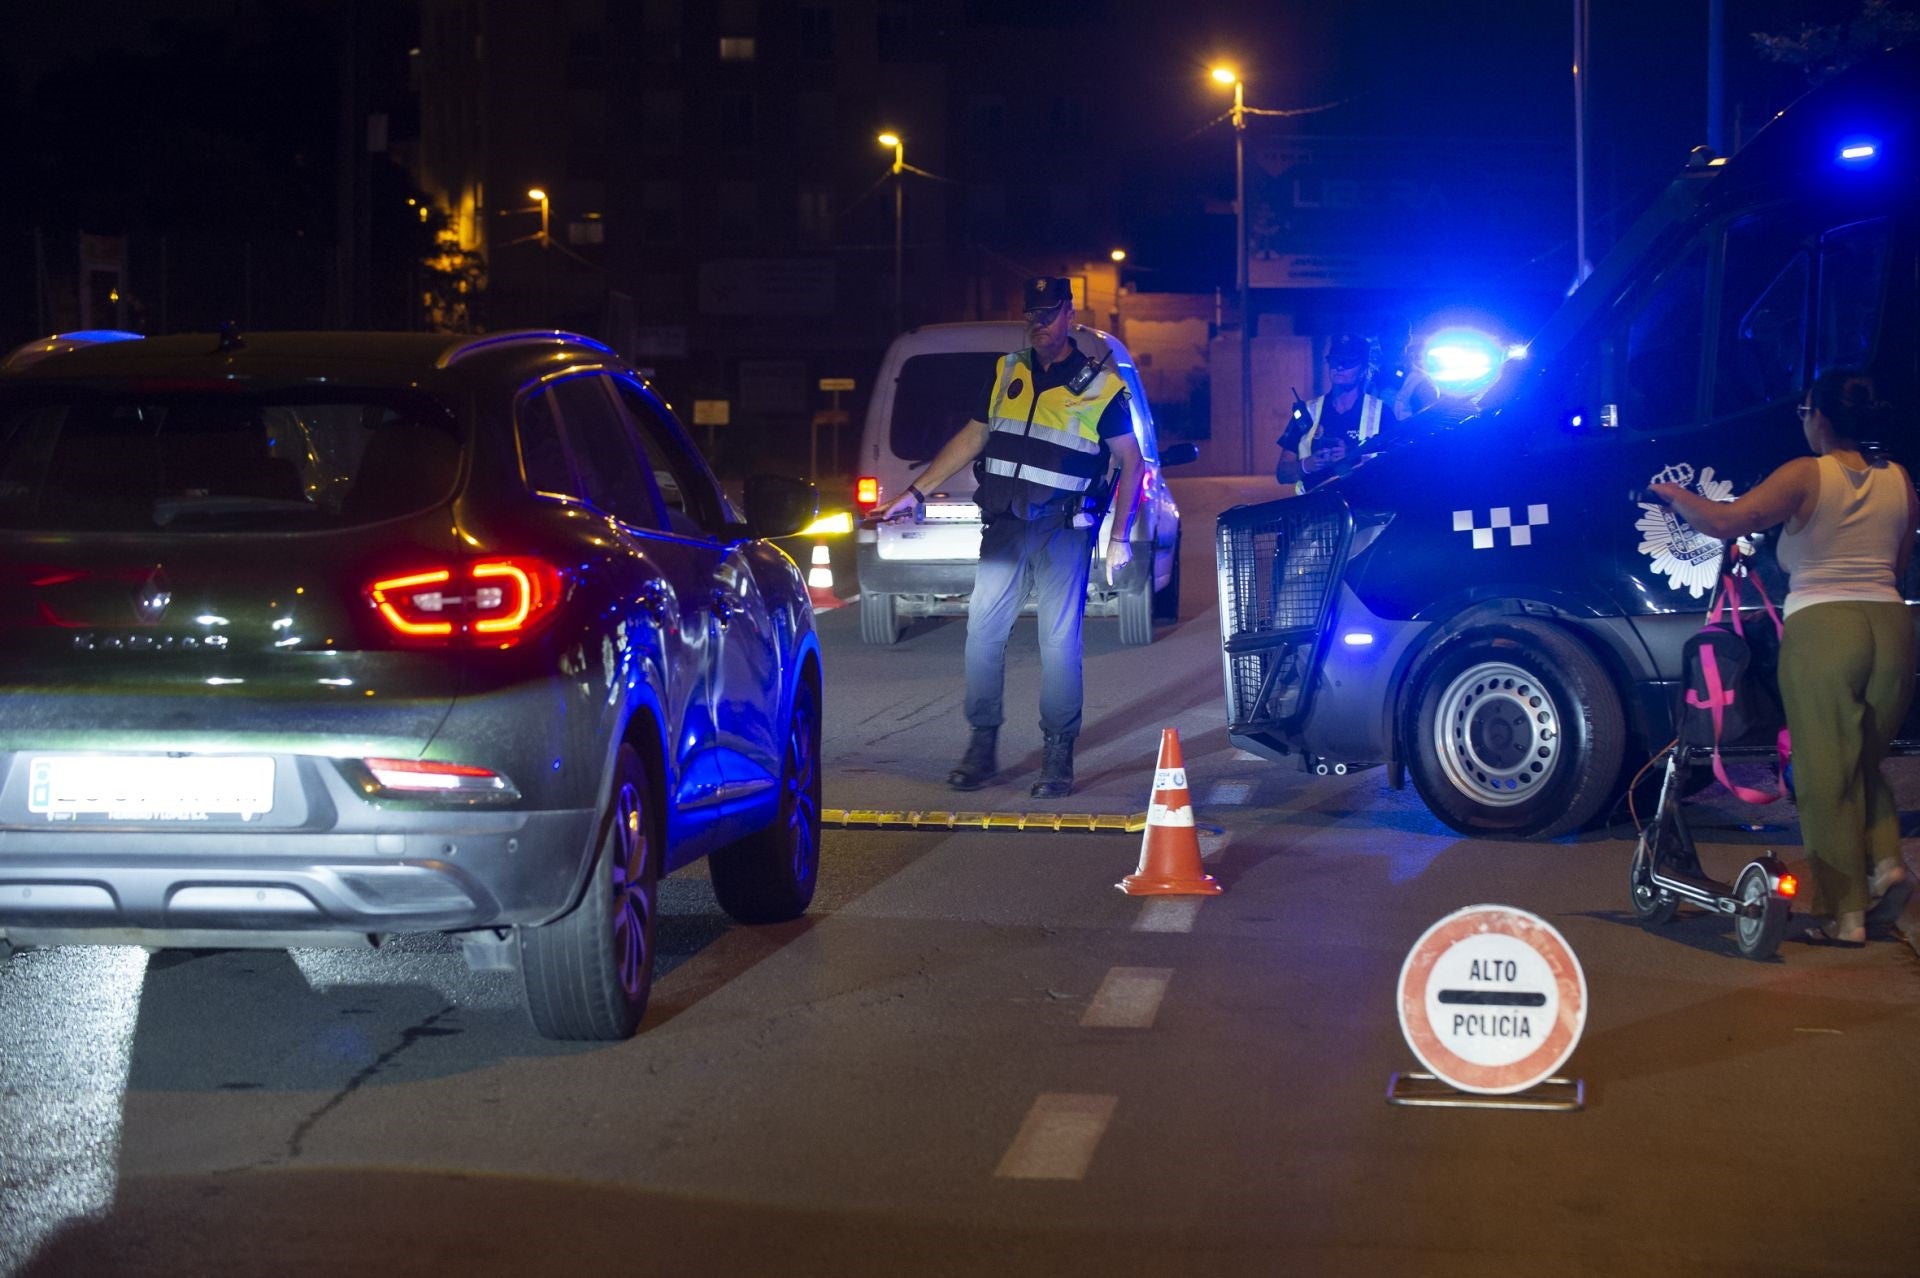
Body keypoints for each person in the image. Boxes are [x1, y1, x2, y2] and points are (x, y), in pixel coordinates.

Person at [1651, 369, 1918, 946]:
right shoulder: (1900, 479)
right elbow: (1895, 568)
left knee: (1822, 773)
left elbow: (1725, 522)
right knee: (1862, 761)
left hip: (1825, 628)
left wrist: (1672, 495)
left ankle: (1841, 915)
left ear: (1818, 417)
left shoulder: (1806, 474)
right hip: (1893, 628)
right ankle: (1885, 864)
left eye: (1803, 412)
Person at [877, 277, 1144, 798]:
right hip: (1004, 526)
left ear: (1069, 314)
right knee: (981, 635)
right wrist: (917, 491)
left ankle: (1057, 754)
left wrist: (1120, 537)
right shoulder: (1007, 372)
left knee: (1059, 642)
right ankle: (982, 743)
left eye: (1048, 314)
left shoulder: (1102, 386)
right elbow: (975, 435)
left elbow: (1131, 462)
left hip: (1064, 531)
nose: (1038, 325)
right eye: (1032, 315)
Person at [1275, 333, 1395, 494]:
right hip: (1315, 511)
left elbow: (1396, 466)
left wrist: (1353, 456)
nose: (1339, 367)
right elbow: (1282, 473)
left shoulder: (1382, 413)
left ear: (1364, 370)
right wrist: (1307, 465)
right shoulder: (1308, 412)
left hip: (1363, 509)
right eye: (1334, 361)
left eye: (1348, 362)